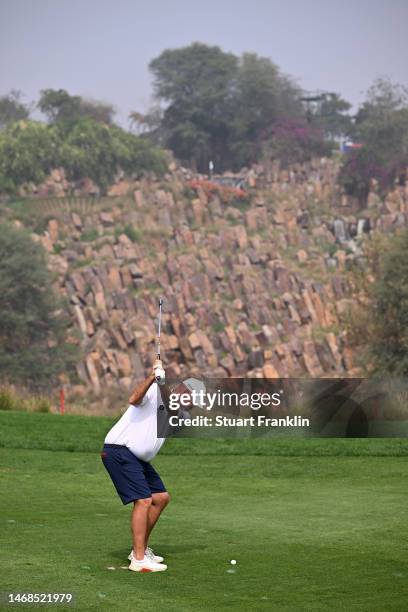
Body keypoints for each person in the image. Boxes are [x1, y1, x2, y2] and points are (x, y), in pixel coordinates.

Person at [101, 358, 204, 573]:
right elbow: (133, 399)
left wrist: (162, 381)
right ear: (183, 389)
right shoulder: (152, 391)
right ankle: (138, 559)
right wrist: (151, 378)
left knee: (160, 498)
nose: (194, 403)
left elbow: (171, 408)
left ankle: (140, 549)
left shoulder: (183, 415)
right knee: (144, 500)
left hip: (137, 459)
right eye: (193, 397)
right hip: (119, 450)